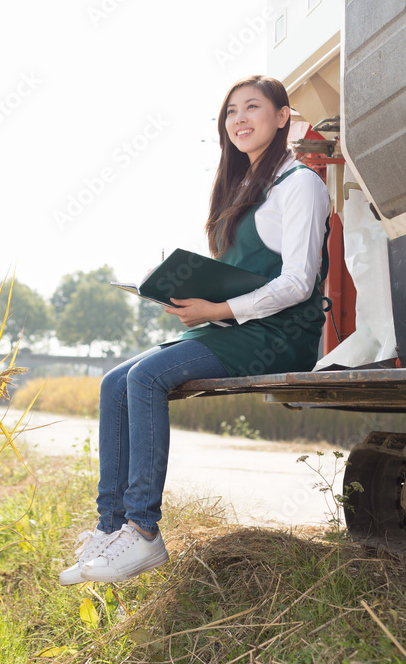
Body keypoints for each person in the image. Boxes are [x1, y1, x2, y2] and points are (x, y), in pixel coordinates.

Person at [59, 74, 331, 585]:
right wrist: (188, 290)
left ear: (283, 117)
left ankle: (143, 532)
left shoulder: (302, 186)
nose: (240, 119)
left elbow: (297, 283)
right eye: (230, 112)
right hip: (230, 325)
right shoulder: (245, 187)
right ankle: (109, 527)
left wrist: (215, 308)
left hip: (277, 335)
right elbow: (243, 272)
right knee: (113, 382)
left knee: (145, 379)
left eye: (253, 108)